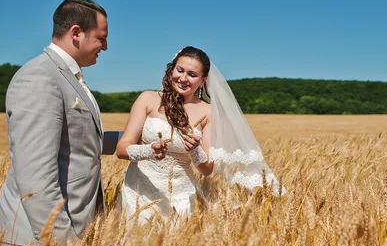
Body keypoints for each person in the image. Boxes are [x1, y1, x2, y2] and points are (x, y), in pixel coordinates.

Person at [0, 0, 115, 246]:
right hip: (33, 240)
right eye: (101, 38)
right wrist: (64, 243)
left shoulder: (68, 76)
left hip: (65, 230)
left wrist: (140, 136)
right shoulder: (40, 77)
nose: (105, 46)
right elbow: (35, 172)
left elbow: (80, 143)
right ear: (76, 33)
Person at [116, 46, 283, 224]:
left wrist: (195, 150)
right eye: (179, 70)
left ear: (202, 81)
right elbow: (121, 149)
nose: (183, 78)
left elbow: (207, 169)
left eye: (192, 74)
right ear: (172, 69)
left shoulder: (207, 111)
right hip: (139, 192)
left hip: (181, 197)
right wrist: (148, 151)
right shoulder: (147, 99)